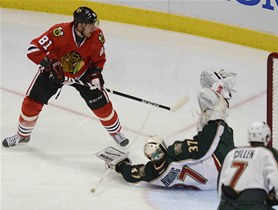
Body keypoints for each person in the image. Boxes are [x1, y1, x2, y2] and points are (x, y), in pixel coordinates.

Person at [2, 7, 129, 148]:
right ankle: (23, 136)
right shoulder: (59, 32)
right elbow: (33, 49)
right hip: (53, 72)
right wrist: (50, 65)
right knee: (31, 103)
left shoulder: (96, 36)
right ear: (80, 25)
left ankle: (116, 132)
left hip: (82, 73)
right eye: (91, 24)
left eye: (95, 23)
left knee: (102, 105)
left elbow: (99, 60)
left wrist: (95, 75)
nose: (94, 27)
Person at [111, 68, 236, 190]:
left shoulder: (153, 173)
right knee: (213, 115)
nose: (157, 155)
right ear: (163, 146)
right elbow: (204, 148)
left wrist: (120, 165)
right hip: (221, 165)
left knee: (204, 124)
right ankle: (222, 90)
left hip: (211, 182)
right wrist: (216, 118)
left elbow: (133, 174)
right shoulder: (175, 153)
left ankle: (217, 100)